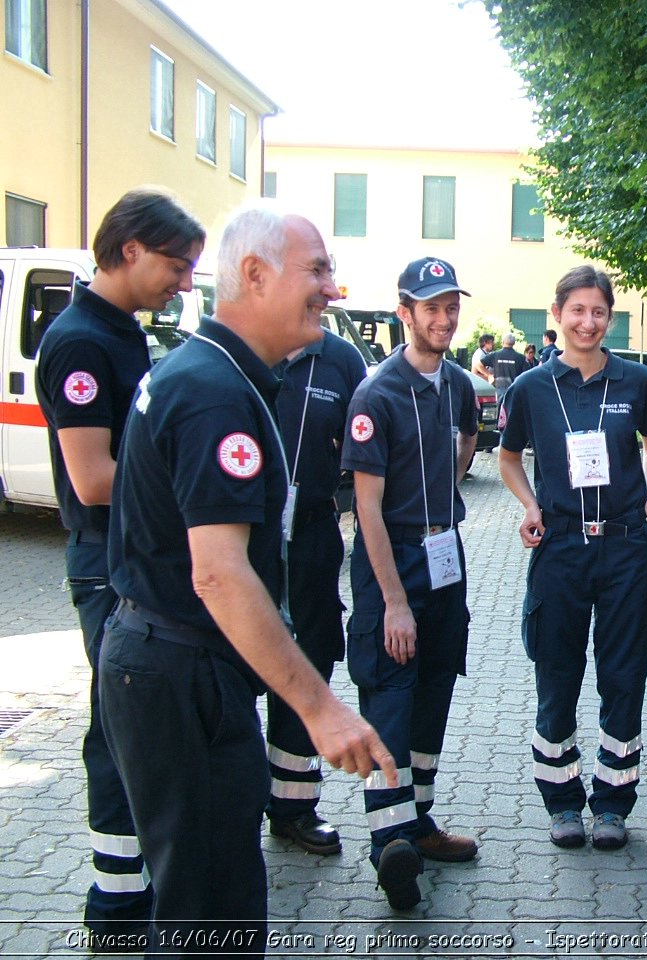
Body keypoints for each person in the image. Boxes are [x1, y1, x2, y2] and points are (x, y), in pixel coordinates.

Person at [99, 205, 394, 956]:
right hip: (180, 675)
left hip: (180, 669)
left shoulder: (215, 374)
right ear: (255, 275)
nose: (332, 288)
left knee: (210, 898)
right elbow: (220, 576)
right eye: (317, 270)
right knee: (211, 912)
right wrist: (321, 709)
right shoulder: (214, 392)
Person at [34, 187, 204, 950]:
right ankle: (117, 911)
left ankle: (141, 894)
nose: (185, 282)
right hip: (107, 564)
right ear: (130, 248)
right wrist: (190, 484)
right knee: (119, 733)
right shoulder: (80, 342)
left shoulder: (123, 331)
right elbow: (93, 478)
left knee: (142, 730)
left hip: (132, 558)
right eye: (176, 264)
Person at [498, 266, 647, 851]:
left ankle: (614, 803)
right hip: (561, 546)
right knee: (558, 673)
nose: (588, 322)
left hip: (625, 547)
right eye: (577, 311)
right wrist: (528, 506)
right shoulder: (530, 388)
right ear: (558, 315)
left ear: (608, 317)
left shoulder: (635, 383)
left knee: (624, 676)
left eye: (598, 312)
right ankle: (564, 801)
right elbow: (508, 457)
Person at [341, 256, 480, 911]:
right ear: (405, 312)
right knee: (391, 697)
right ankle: (389, 843)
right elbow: (366, 508)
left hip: (444, 555)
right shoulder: (376, 393)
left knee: (434, 691)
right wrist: (394, 601)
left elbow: (468, 438)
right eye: (431, 307)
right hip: (389, 562)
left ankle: (419, 822)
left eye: (451, 305)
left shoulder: (456, 383)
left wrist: (444, 501)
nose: (444, 317)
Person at [264, 327, 367, 855]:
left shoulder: (341, 360)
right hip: (242, 533)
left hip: (311, 529)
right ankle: (230, 800)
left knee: (310, 658)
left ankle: (293, 805)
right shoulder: (250, 342)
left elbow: (364, 444)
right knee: (231, 665)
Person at [482, 331, 529, 403]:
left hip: (499, 390)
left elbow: (478, 365)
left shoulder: (495, 355)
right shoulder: (521, 358)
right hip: (514, 391)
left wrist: (489, 375)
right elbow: (526, 375)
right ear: (514, 343)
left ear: (503, 342)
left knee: (499, 410)